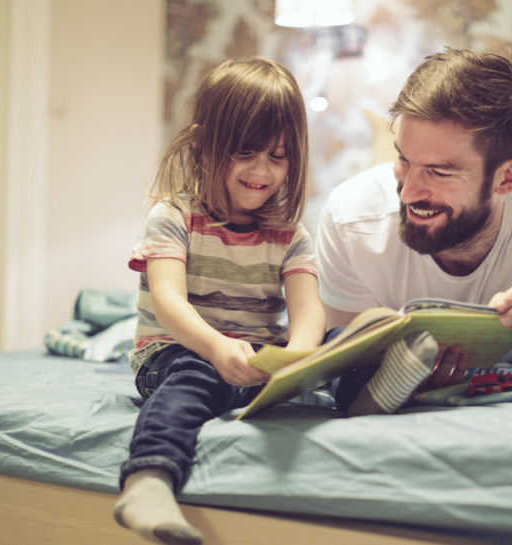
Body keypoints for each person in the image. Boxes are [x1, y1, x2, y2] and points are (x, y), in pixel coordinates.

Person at [317, 48, 512, 417]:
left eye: (440, 172)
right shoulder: (350, 220)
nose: (407, 193)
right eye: (404, 159)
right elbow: (344, 380)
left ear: (508, 178)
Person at [114, 58, 326, 545]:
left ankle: (374, 387)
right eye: (245, 152)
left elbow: (309, 310)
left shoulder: (290, 235)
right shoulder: (173, 217)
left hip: (257, 360)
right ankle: (147, 481)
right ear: (201, 144)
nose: (261, 170)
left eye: (277, 156)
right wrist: (214, 348)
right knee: (198, 375)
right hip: (176, 352)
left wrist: (298, 356)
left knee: (343, 339)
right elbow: (169, 302)